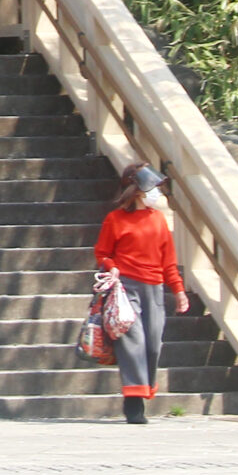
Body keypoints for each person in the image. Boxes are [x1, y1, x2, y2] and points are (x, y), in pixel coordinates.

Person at [95, 163, 189, 424]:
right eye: (151, 188)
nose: (156, 193)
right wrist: (112, 268)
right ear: (136, 191)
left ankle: (144, 389)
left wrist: (178, 291)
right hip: (125, 287)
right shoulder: (115, 219)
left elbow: (169, 261)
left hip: (154, 288)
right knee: (132, 338)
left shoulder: (157, 219)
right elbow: (103, 253)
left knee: (153, 342)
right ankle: (133, 401)